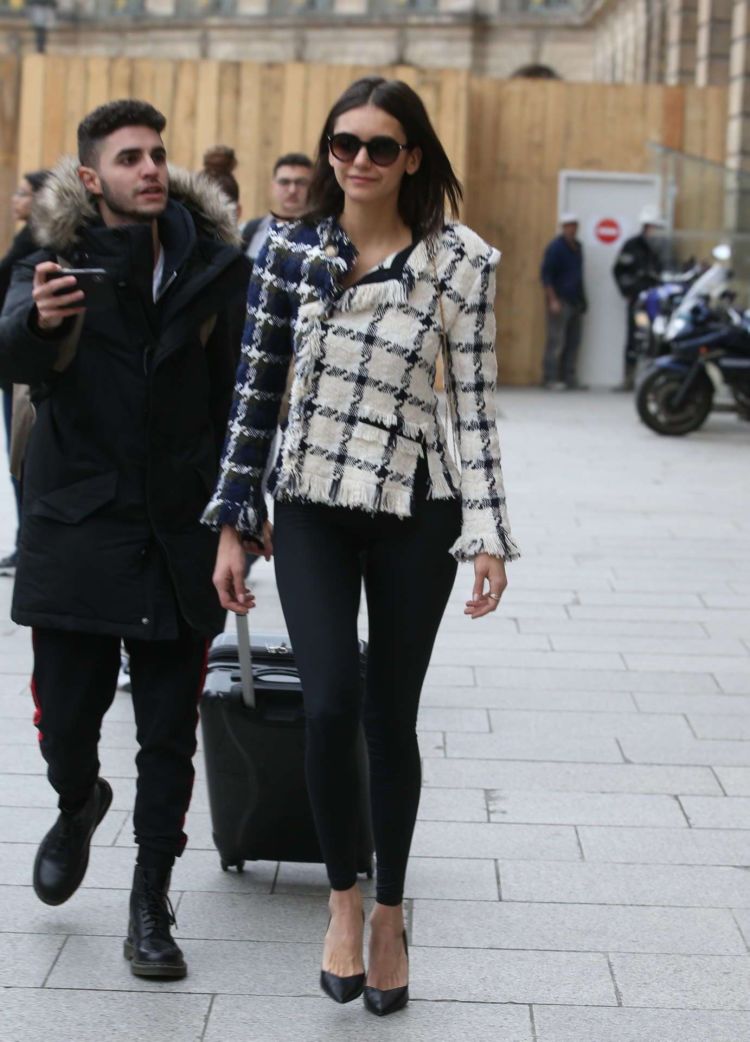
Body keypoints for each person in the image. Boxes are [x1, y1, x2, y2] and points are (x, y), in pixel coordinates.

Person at [205, 76, 519, 1016]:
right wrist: (234, 520)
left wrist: (489, 530)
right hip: (310, 503)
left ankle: (388, 915)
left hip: (417, 505)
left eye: (382, 146)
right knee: (330, 701)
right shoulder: (289, 252)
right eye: (344, 144)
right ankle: (341, 899)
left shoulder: (461, 262)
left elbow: (475, 406)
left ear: (412, 156)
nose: (360, 161)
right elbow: (255, 390)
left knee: (389, 716)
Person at [0, 99, 248, 979]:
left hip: (178, 532)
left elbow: (239, 402)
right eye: (129, 157)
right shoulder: (48, 257)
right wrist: (39, 321)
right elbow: (10, 357)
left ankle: (150, 902)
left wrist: (240, 518)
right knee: (67, 723)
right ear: (90, 176)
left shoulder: (215, 266)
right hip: (78, 526)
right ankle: (77, 800)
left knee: (168, 738)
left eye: (157, 154)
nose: (150, 169)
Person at [0, 169, 50, 575]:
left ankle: (28, 544)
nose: (15, 200)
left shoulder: (35, 243)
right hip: (14, 366)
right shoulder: (27, 240)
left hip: (23, 372)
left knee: (23, 458)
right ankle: (24, 542)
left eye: (22, 193)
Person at [613, 204, 665, 390]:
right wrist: (627, 291)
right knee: (636, 337)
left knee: (658, 338)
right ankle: (629, 378)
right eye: (652, 227)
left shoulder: (663, 248)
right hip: (639, 302)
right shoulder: (632, 246)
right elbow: (619, 270)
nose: (654, 231)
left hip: (659, 303)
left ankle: (655, 379)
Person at [540, 212, 587, 389]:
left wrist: (583, 300)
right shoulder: (556, 248)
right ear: (563, 227)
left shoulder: (578, 247)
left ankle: (569, 377)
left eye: (574, 225)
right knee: (556, 341)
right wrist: (553, 300)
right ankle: (550, 378)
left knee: (573, 341)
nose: (571, 229)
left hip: (575, 301)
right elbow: (546, 276)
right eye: (568, 225)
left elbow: (579, 276)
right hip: (560, 300)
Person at [241, 151, 312, 264]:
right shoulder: (249, 231)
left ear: (313, 186)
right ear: (273, 186)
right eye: (284, 182)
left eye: (301, 183)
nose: (292, 190)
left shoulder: (327, 234)